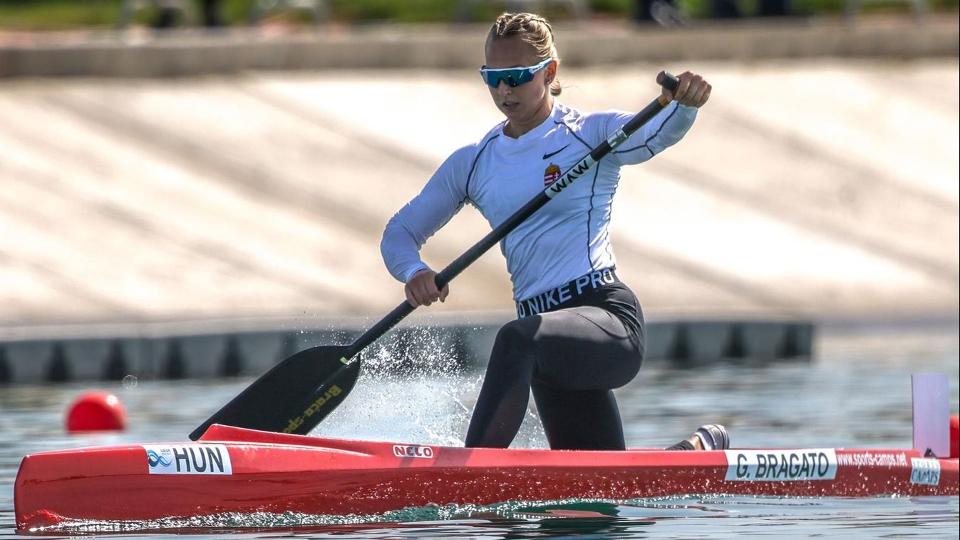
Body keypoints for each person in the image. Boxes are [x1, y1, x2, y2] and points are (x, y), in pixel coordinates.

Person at [381, 12, 727, 452]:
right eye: (494, 78)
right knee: (595, 493)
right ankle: (695, 452)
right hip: (546, 342)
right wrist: (414, 271)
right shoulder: (474, 162)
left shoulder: (590, 135)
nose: (504, 91)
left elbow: (654, 136)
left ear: (549, 72)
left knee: (514, 339)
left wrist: (685, 106)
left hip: (606, 322)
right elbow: (400, 231)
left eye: (518, 77)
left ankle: (466, 472)